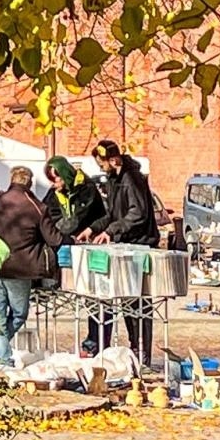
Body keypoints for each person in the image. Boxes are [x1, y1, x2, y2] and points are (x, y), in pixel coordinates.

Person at [76, 140, 160, 363]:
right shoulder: (114, 179)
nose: (100, 168)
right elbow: (113, 214)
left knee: (138, 305)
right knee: (126, 302)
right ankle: (134, 351)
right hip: (126, 245)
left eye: (102, 163)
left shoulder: (131, 179)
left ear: (113, 160)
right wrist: (93, 228)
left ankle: (141, 353)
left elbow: (137, 213)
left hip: (140, 244)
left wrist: (112, 231)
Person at [0, 167, 63, 365]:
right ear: (30, 183)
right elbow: (54, 238)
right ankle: (3, 358)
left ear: (11, 180)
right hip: (20, 269)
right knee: (19, 313)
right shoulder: (36, 207)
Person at [41, 156, 104, 239]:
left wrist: (55, 234)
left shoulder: (86, 188)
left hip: (90, 237)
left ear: (64, 175)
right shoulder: (55, 191)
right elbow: (46, 214)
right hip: (67, 238)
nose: (51, 184)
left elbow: (78, 218)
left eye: (53, 179)